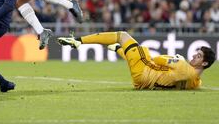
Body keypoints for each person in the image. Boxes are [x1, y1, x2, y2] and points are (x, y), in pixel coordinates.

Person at [57, 31, 216, 90]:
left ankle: (78, 41)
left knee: (122, 36)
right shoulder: (195, 82)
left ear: (204, 64)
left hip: (145, 72)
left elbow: (158, 59)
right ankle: (116, 49)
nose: (194, 56)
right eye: (197, 53)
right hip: (145, 84)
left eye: (199, 56)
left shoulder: (182, 64)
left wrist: (163, 60)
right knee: (134, 55)